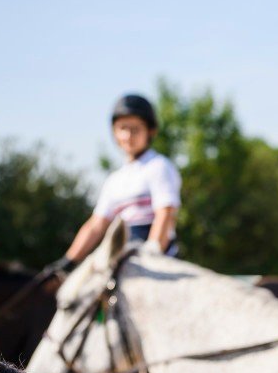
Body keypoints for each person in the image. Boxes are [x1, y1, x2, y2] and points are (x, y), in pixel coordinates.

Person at [50, 93, 182, 273]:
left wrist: (151, 257)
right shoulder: (115, 180)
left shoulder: (158, 166)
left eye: (135, 129)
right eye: (122, 128)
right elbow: (96, 225)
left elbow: (164, 214)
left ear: (150, 131)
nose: (128, 136)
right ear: (114, 132)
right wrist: (69, 260)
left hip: (155, 257)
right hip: (123, 258)